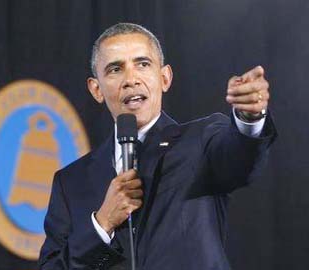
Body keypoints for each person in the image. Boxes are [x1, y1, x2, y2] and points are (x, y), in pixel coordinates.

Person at [39, 22, 277, 270]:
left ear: (164, 78)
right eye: (115, 69)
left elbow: (240, 160)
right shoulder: (71, 183)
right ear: (96, 89)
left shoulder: (201, 141)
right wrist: (101, 224)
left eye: (143, 64)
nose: (131, 79)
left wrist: (250, 117)